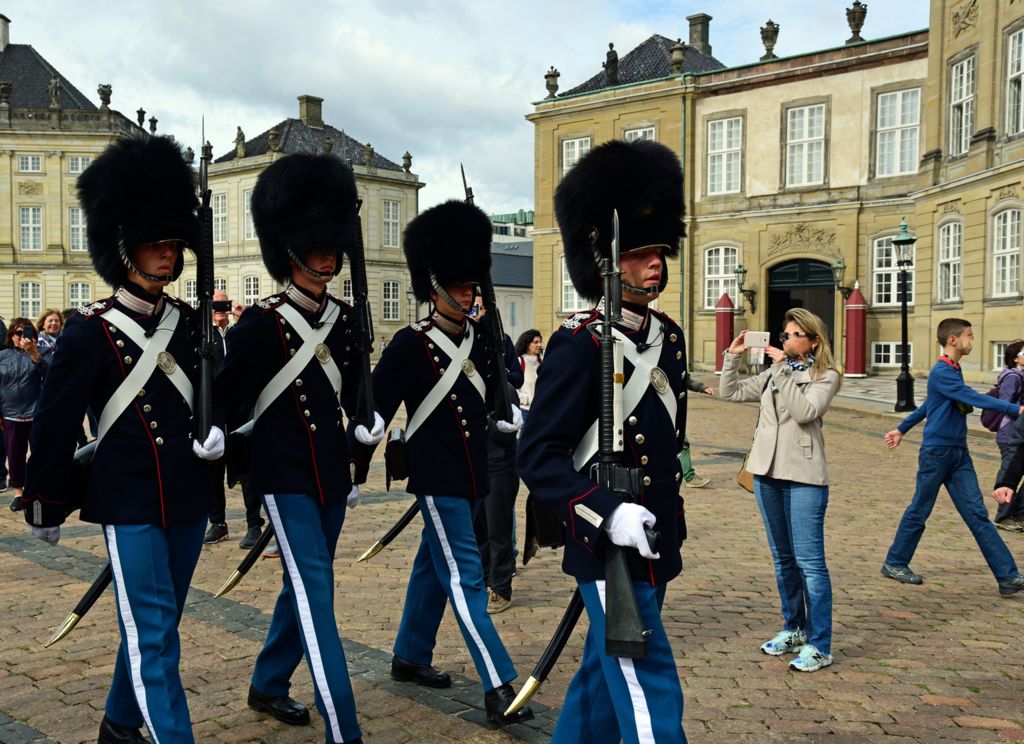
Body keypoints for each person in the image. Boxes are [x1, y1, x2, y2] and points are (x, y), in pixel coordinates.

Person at [22, 133, 223, 744]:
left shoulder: (190, 327)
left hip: (187, 496)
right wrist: (44, 499)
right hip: (128, 497)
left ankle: (117, 722)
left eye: (172, 243)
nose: (167, 254)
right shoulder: (88, 332)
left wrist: (221, 435)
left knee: (155, 623)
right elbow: (55, 424)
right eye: (153, 243)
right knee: (156, 633)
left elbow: (223, 398)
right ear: (124, 248)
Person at [517, 139, 690, 743]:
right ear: (605, 260)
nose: (655, 266)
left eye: (659, 252)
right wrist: (607, 513)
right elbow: (536, 456)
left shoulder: (667, 338)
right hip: (606, 534)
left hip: (652, 530)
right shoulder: (579, 343)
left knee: (599, 679)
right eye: (640, 255)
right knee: (649, 686)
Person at [349, 199, 533, 727]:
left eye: (473, 287)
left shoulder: (482, 339)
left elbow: (501, 392)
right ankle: (499, 683)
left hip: (474, 470)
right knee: (465, 574)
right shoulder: (411, 344)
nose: (469, 295)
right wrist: (355, 462)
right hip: (437, 474)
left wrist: (507, 410)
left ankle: (409, 654)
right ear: (434, 288)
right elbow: (374, 409)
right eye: (460, 287)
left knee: (434, 565)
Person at [216, 152, 377, 744]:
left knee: (305, 583)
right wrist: (215, 435)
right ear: (290, 249)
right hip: (281, 472)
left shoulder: (345, 320)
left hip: (330, 470)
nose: (328, 256)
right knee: (315, 588)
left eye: (332, 244)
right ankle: (344, 725)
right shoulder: (260, 325)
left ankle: (268, 680)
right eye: (317, 245)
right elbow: (225, 400)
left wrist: (368, 425)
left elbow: (360, 392)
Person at [720, 311, 842, 673]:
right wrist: (733, 355)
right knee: (782, 559)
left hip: (803, 476)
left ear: (814, 340)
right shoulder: (776, 372)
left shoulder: (826, 376)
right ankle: (794, 628)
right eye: (784, 334)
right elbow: (732, 392)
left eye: (795, 335)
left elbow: (805, 412)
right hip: (766, 473)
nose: (786, 340)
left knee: (811, 565)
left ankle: (820, 644)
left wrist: (785, 370)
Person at [881, 317, 1024, 597]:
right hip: (937, 453)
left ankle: (1008, 577)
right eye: (969, 336)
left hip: (958, 453)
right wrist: (1014, 409)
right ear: (953, 340)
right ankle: (895, 562)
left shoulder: (953, 369)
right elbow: (968, 396)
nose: (973, 340)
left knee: (978, 515)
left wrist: (901, 428)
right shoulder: (942, 371)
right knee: (920, 510)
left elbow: (928, 406)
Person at [1, 319, 45, 510]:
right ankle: (19, 493)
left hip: (36, 413)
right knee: (15, 455)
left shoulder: (42, 353)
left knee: (40, 455)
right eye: (17, 333)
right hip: (10, 414)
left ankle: (38, 491)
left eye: (25, 333)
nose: (21, 337)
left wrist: (35, 355)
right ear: (11, 335)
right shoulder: (2, 356)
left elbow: (53, 377)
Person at [990, 340, 1024, 531]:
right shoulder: (1013, 377)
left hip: (1020, 432)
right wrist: (1021, 410)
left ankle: (1017, 513)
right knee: (1010, 473)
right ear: (1016, 358)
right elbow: (1004, 404)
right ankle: (1003, 517)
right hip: (1010, 434)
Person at [679, 374, 713, 488]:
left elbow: (685, 379)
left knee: (681, 443)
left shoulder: (671, 359)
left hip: (671, 412)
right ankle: (689, 477)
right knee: (682, 443)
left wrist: (701, 387)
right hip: (660, 412)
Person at [514, 329, 542, 419]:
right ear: (527, 344)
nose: (539, 345)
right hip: (525, 411)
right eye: (535, 342)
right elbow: (511, 386)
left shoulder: (541, 363)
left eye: (540, 342)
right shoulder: (519, 361)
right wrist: (524, 399)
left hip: (540, 410)